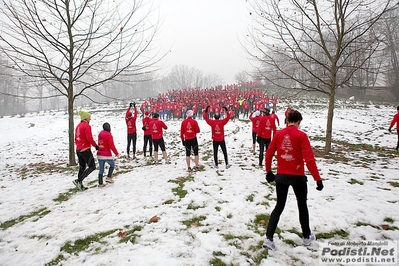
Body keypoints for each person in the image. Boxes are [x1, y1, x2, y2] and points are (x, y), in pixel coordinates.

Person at [262, 110, 324, 251]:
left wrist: (269, 171)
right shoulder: (301, 136)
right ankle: (306, 237)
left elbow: (269, 153)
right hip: (298, 176)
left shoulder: (278, 134)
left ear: (287, 120)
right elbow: (309, 159)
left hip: (282, 176)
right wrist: (317, 179)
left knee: (279, 206)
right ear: (299, 122)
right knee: (302, 206)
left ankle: (269, 238)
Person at [73, 110, 98, 191]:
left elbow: (75, 139)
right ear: (86, 118)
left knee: (82, 167)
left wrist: (78, 146)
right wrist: (95, 146)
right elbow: (89, 138)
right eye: (89, 117)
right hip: (85, 149)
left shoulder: (78, 126)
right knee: (92, 166)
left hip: (78, 149)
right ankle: (78, 180)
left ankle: (79, 185)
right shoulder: (86, 126)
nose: (90, 119)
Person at [97, 123, 119, 187]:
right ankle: (109, 177)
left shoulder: (100, 134)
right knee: (112, 164)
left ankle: (100, 183)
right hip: (106, 154)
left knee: (101, 169)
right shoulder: (109, 136)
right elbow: (111, 145)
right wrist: (116, 153)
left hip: (100, 153)